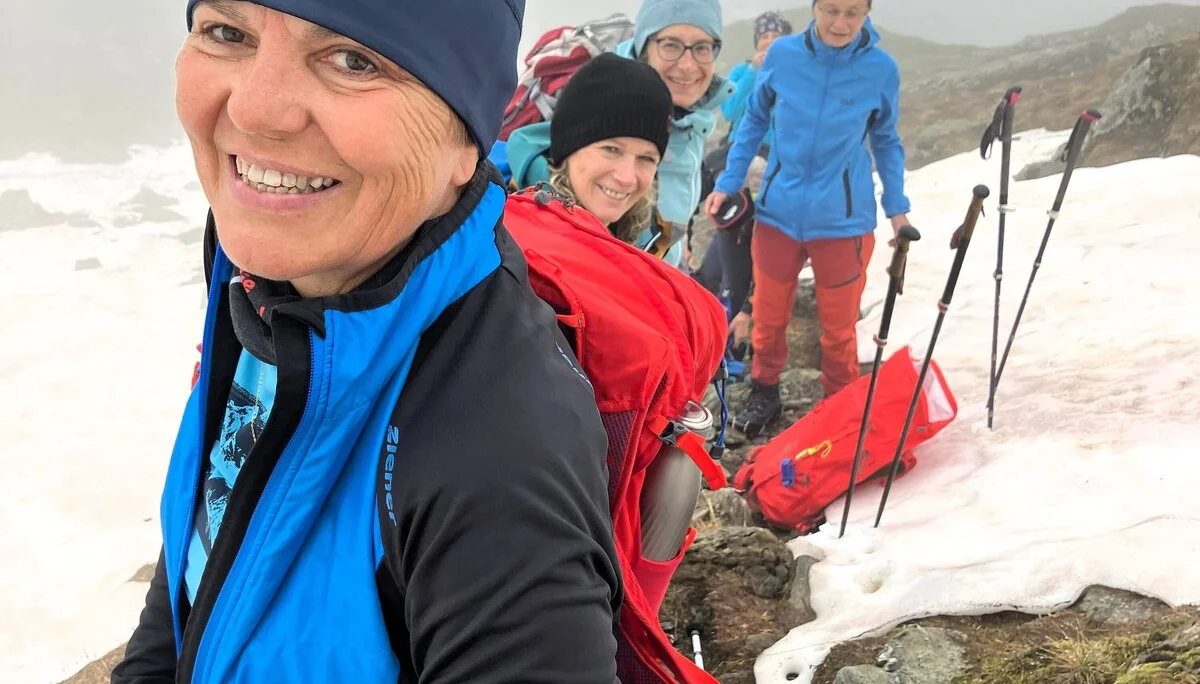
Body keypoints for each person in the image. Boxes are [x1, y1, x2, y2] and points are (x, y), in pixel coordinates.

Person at [111, 1, 624, 682]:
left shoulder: (498, 457)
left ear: (464, 143)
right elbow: (195, 576)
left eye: (355, 59)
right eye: (227, 32)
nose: (257, 109)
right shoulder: (267, 278)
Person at [705, 0, 913, 437]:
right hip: (779, 213)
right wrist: (728, 180)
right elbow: (755, 120)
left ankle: (839, 399)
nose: (840, 23)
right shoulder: (783, 56)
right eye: (831, 9)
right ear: (815, 7)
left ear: (867, 12)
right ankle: (765, 388)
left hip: (843, 222)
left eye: (853, 13)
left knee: (838, 327)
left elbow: (887, 141)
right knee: (769, 312)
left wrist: (897, 210)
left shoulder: (882, 69)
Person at [505, 53, 675, 258]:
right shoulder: (502, 237)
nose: (627, 178)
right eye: (611, 150)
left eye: (646, 158)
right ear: (567, 149)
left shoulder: (651, 239)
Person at [615, 0, 735, 268]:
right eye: (671, 45)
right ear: (644, 46)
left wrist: (679, 254)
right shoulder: (611, 110)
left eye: (702, 47)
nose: (688, 65)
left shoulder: (690, 116)